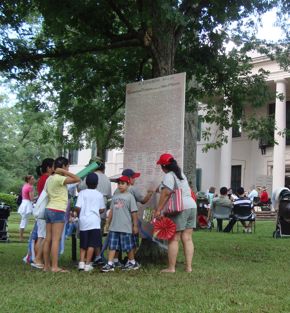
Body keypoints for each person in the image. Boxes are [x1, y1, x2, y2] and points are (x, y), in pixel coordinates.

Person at [154, 153, 197, 273]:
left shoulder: (168, 175)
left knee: (173, 238)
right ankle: (188, 267)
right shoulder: (180, 174)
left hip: (180, 208)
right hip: (192, 206)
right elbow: (163, 188)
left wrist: (158, 209)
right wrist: (156, 189)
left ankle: (171, 268)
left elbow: (166, 192)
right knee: (187, 238)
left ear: (164, 166)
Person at [42, 157, 80, 272]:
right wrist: (63, 172)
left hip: (48, 209)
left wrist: (60, 171)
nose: (68, 168)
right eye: (67, 166)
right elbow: (77, 179)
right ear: (63, 166)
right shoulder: (60, 178)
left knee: (48, 238)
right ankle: (54, 267)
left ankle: (46, 266)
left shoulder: (49, 178)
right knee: (55, 240)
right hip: (57, 210)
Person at [101, 175, 139, 272]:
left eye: (123, 183)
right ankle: (110, 264)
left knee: (128, 247)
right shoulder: (115, 196)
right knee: (112, 246)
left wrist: (135, 225)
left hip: (126, 227)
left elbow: (134, 212)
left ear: (128, 185)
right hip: (114, 226)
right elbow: (112, 211)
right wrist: (108, 223)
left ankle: (132, 262)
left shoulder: (130, 197)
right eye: (119, 183)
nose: (120, 185)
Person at [75, 173, 105, 272]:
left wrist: (81, 214)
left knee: (83, 243)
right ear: (97, 184)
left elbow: (78, 207)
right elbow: (102, 209)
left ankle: (81, 263)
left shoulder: (82, 193)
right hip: (95, 222)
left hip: (84, 221)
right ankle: (88, 264)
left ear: (86, 183)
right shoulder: (99, 194)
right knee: (92, 244)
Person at [31, 158, 54, 269]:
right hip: (45, 209)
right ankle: (39, 259)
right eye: (54, 166)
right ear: (49, 168)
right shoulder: (48, 178)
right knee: (45, 236)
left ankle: (37, 259)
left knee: (40, 236)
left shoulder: (41, 178)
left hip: (40, 210)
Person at [17, 175, 35, 242]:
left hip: (24, 203)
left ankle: (21, 237)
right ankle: (24, 237)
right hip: (28, 204)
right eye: (32, 179)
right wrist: (38, 197)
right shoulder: (30, 187)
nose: (34, 180)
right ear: (29, 180)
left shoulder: (25, 185)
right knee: (25, 220)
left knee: (24, 220)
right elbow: (31, 199)